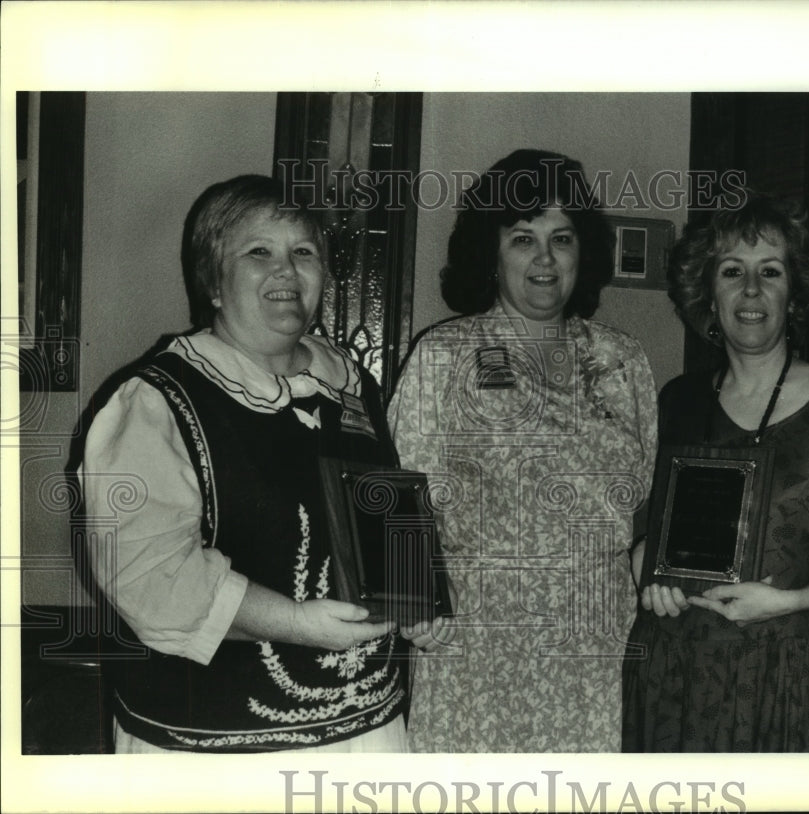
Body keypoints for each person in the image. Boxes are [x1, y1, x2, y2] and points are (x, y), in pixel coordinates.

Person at [79, 174, 407, 752]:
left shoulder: (354, 388)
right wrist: (297, 624)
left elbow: (381, 524)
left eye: (303, 252)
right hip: (217, 746)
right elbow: (150, 576)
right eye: (259, 252)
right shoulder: (156, 400)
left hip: (365, 733)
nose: (286, 271)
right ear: (212, 280)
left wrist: (414, 594)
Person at [388, 149, 658, 752]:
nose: (544, 258)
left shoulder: (624, 361)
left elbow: (641, 505)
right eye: (522, 238)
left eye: (561, 237)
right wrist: (412, 603)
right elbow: (395, 499)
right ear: (491, 251)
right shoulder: (444, 354)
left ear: (582, 250)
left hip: (596, 645)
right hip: (475, 645)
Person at [622, 191, 809, 752]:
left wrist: (791, 601)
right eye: (732, 271)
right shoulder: (676, 402)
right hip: (675, 672)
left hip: (788, 678)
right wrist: (646, 570)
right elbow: (646, 525)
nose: (751, 290)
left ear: (793, 292)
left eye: (769, 272)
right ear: (708, 290)